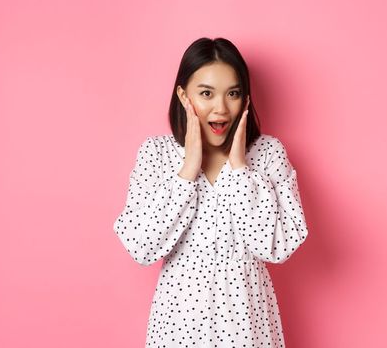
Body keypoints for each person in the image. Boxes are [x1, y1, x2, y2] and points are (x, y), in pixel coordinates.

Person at [112, 37, 309, 347]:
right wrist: (188, 170)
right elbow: (141, 246)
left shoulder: (268, 154)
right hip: (178, 327)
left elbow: (280, 247)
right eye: (206, 93)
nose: (221, 108)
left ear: (246, 98)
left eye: (233, 93)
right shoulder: (157, 154)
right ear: (183, 95)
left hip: (248, 326)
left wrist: (239, 168)